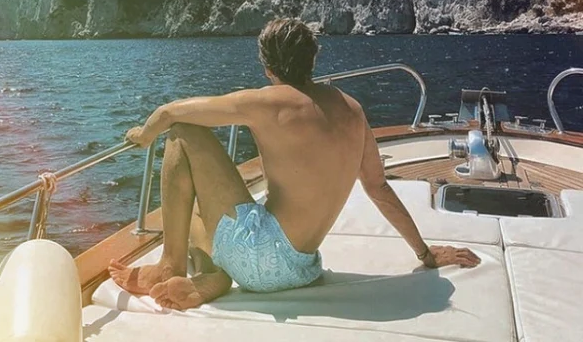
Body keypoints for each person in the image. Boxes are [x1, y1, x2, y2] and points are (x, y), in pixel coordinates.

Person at [109, 18, 480, 310]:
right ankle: (211, 273)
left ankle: (170, 266)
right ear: (312, 60)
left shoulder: (265, 102)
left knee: (182, 136)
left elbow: (170, 113)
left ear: (267, 66)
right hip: (301, 268)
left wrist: (144, 135)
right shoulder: (353, 110)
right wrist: (425, 253)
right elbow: (378, 188)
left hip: (258, 257)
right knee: (193, 216)